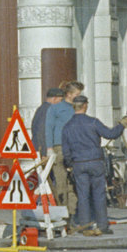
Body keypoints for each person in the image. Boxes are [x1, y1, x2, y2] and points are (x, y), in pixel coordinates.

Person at [61, 95, 127, 236]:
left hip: (79, 164)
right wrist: (122, 124)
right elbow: (110, 134)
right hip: (95, 162)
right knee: (99, 194)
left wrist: (69, 165)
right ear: (85, 106)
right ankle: (103, 225)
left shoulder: (67, 126)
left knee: (83, 195)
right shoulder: (93, 122)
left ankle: (86, 226)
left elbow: (66, 151)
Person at [45, 81, 84, 214]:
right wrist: (49, 148)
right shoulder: (55, 108)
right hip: (59, 147)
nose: (79, 97)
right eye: (77, 94)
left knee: (73, 182)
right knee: (61, 181)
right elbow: (48, 128)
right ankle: (62, 212)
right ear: (68, 94)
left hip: (75, 148)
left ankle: (73, 213)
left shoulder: (77, 108)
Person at [31, 87, 64, 158]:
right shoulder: (48, 110)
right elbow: (42, 131)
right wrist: (44, 152)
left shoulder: (42, 108)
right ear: (54, 98)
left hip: (39, 148)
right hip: (44, 151)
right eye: (60, 100)